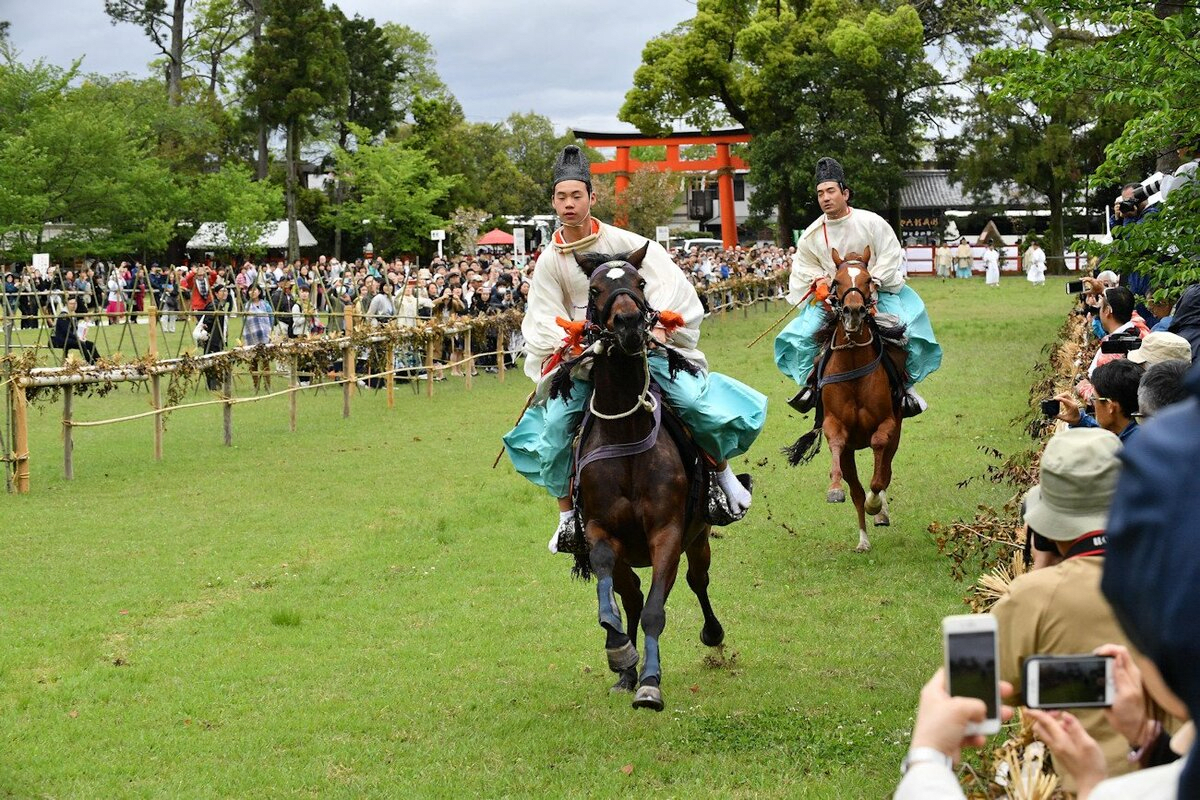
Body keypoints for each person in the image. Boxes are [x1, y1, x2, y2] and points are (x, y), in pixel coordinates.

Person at [503, 145, 768, 555]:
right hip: (583, 360)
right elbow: (541, 314)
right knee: (555, 430)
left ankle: (723, 479)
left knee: (693, 404)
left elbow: (665, 283)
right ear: (553, 202)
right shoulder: (549, 261)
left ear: (592, 197)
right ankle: (566, 518)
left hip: (636, 347)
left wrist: (656, 324)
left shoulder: (626, 241)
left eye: (577, 196)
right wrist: (566, 338)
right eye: (561, 197)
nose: (569, 204)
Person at [991, 427, 1141, 784]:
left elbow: (979, 695)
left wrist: (1038, 573)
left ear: (1044, 527)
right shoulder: (1180, 577)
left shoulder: (1031, 598)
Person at [774, 156, 942, 418]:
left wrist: (873, 279)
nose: (825, 198)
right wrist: (818, 281)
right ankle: (811, 387)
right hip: (834, 298)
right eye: (820, 193)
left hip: (875, 292)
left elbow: (890, 252)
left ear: (845, 193)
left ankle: (906, 387)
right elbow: (804, 266)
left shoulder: (871, 222)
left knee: (905, 330)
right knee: (802, 336)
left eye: (831, 191)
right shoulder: (812, 234)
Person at [1054, 359, 1142, 442]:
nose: (1094, 404)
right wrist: (1078, 420)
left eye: (1094, 399)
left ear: (1110, 406)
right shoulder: (1140, 434)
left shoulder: (1125, 453)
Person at [241, 283, 273, 392]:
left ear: (259, 292)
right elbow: (245, 323)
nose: (252, 292)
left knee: (265, 361)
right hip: (251, 337)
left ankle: (267, 385)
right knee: (253, 362)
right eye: (250, 290)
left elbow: (271, 318)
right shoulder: (246, 306)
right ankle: (256, 385)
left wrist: (271, 332)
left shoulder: (266, 305)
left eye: (255, 290)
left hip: (265, 336)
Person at [49, 297, 99, 364]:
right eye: (71, 304)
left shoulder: (73, 314)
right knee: (80, 344)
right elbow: (66, 332)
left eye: (75, 303)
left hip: (70, 338)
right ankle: (90, 362)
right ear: (67, 304)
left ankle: (99, 361)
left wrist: (81, 336)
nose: (74, 305)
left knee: (91, 344)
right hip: (60, 339)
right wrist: (77, 338)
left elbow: (75, 330)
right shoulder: (63, 315)